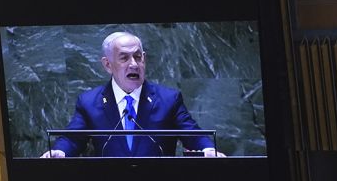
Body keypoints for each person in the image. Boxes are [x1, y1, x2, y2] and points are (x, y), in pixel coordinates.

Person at [43, 32, 222, 158]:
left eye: (138, 57)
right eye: (124, 58)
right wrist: (61, 152)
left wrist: (208, 149)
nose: (134, 64)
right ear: (107, 65)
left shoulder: (169, 99)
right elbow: (72, 139)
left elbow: (192, 134)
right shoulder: (89, 102)